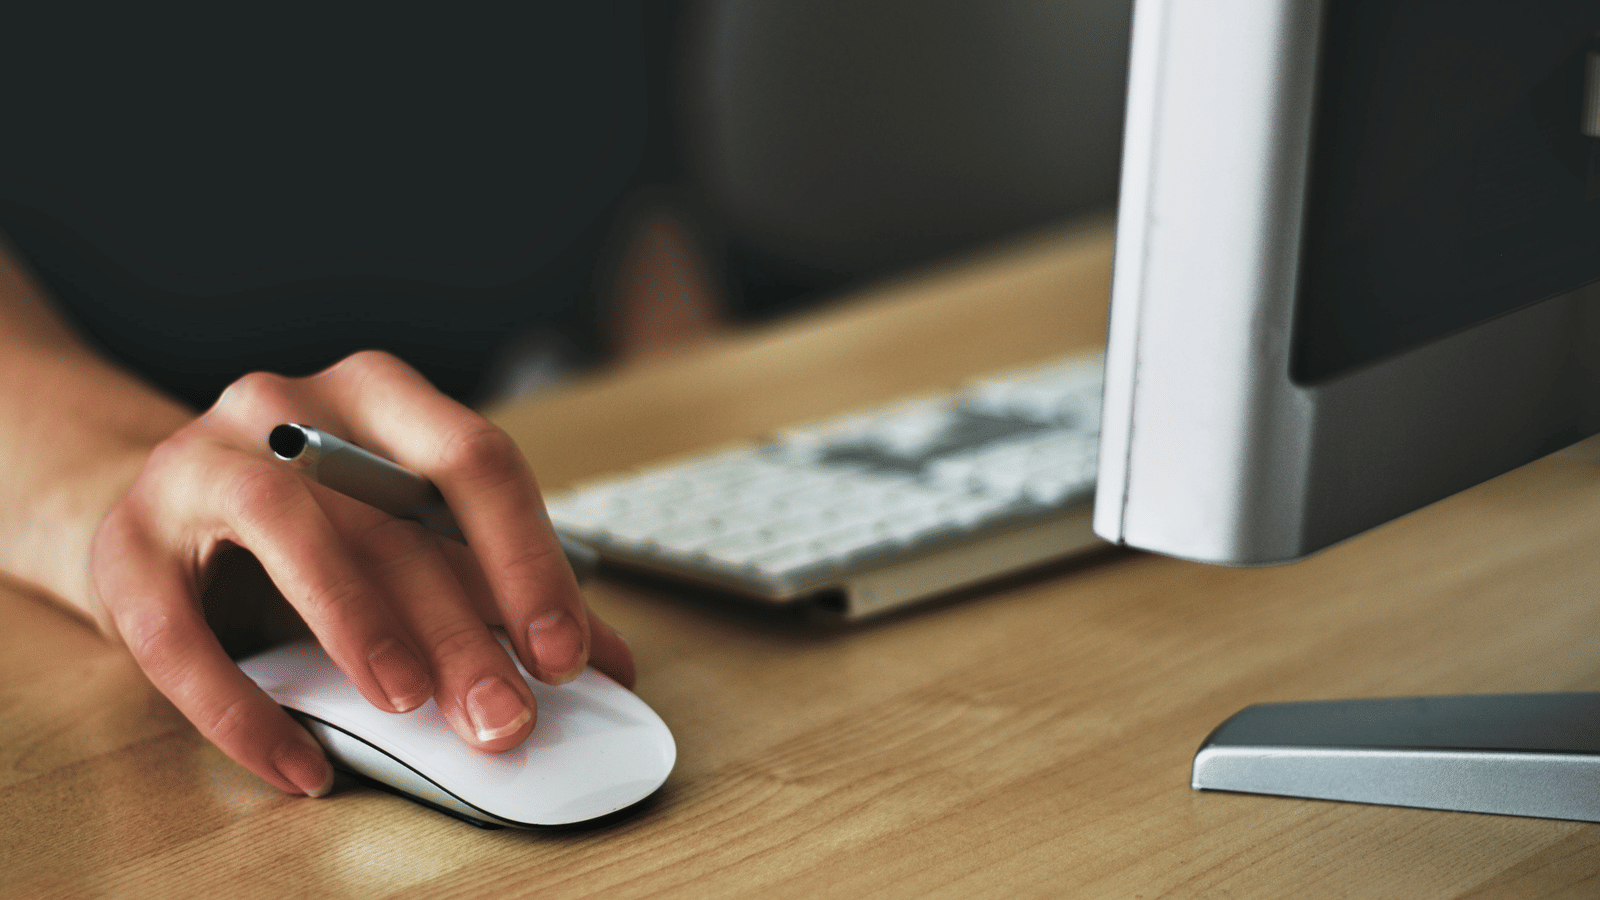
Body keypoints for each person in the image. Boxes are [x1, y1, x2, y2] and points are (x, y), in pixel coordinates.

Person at [0, 3, 716, 799]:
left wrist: (699, 454)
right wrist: (118, 486)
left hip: (477, 467)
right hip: (131, 426)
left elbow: (641, 200)